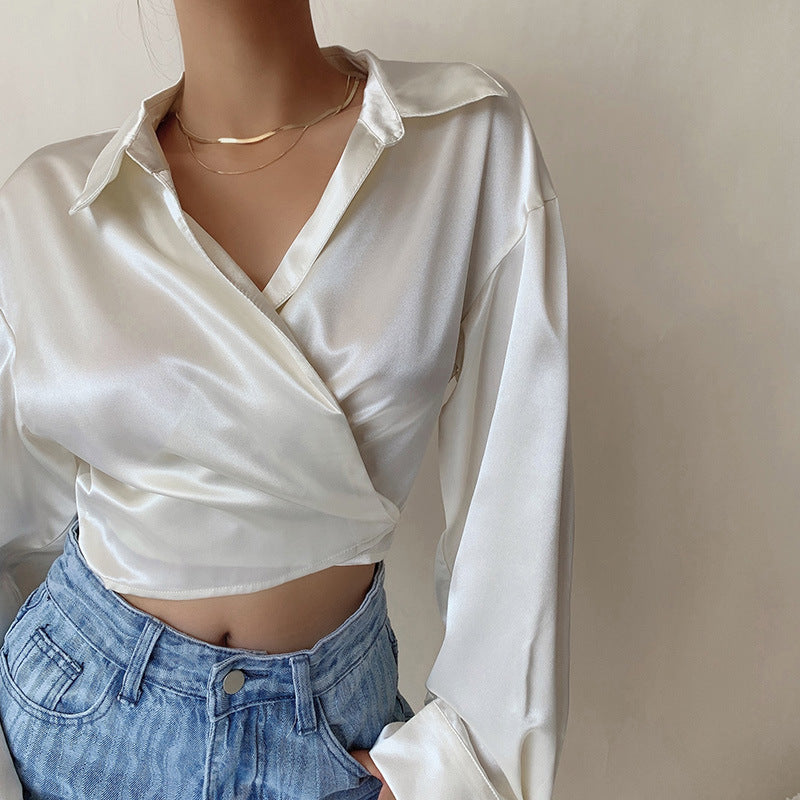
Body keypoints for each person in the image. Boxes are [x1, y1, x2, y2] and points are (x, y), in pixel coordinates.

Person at [0, 0, 574, 798]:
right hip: (78, 718)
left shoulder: (463, 138)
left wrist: (455, 770)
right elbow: (13, 526)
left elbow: (518, 492)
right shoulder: (48, 205)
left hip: (331, 735)